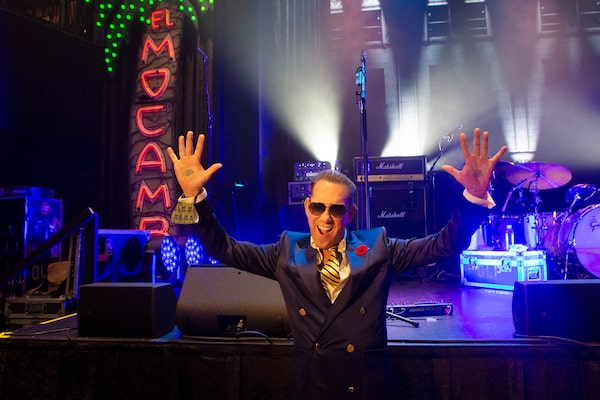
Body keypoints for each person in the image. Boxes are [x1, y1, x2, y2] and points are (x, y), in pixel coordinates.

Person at [167, 128, 507, 400]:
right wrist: (195, 198)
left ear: (350, 214)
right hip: (313, 388)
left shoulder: (379, 247)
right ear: (307, 207)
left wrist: (474, 197)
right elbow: (224, 248)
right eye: (318, 207)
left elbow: (444, 244)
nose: (325, 218)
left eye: (336, 209)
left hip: (367, 388)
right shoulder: (286, 250)